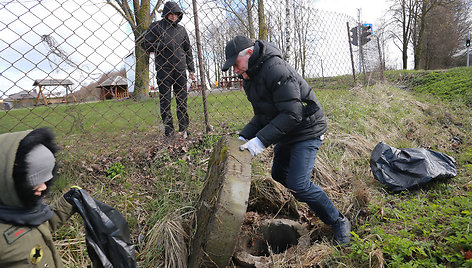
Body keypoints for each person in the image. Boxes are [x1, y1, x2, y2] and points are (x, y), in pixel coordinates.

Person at [222, 36, 351, 245]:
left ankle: (338, 220)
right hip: (287, 131)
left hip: (307, 129)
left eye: (236, 64)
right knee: (279, 174)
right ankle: (310, 197)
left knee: (298, 184)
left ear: (249, 52)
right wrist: (244, 136)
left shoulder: (276, 68)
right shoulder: (250, 79)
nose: (235, 70)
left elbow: (292, 113)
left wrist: (259, 142)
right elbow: (263, 116)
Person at [0, 128, 76, 267]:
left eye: (46, 179)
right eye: (35, 180)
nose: (44, 187)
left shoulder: (25, 208)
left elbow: (42, 227)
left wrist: (68, 203)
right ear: (8, 180)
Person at [141, 1, 195, 137]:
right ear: (166, 13)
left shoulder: (182, 30)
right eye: (171, 13)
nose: (173, 16)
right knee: (165, 100)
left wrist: (191, 69)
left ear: (179, 15)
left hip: (180, 68)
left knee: (182, 100)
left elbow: (188, 50)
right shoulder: (156, 26)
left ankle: (183, 129)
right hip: (163, 69)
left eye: (176, 13)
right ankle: (169, 131)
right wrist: (161, 45)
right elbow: (145, 44)